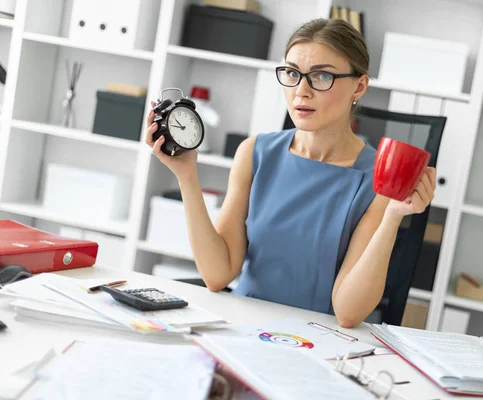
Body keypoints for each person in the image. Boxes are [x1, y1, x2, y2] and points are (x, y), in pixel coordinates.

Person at [145, 18, 436, 328]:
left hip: (316, 341)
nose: (301, 91)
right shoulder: (255, 153)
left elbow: (348, 313)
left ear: (359, 86)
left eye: (322, 76)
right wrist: (187, 175)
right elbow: (217, 276)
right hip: (242, 327)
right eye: (293, 73)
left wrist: (392, 218)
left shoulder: (376, 179)